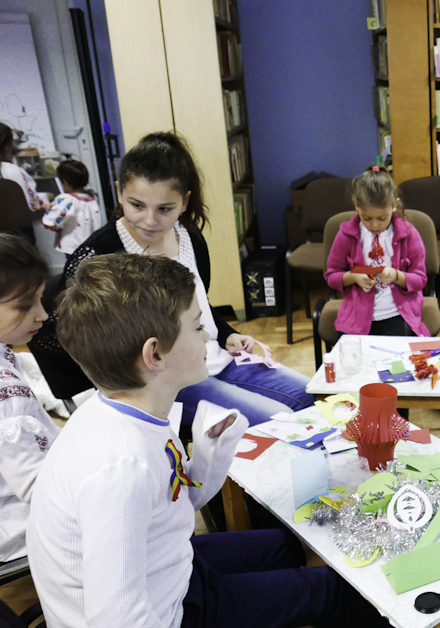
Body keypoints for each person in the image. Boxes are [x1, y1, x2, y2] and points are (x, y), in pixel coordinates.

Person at [28, 253, 388, 628]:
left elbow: (172, 507)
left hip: (169, 570)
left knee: (291, 543)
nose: (209, 337)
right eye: (198, 327)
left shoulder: (134, 408)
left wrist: (207, 456)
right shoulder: (121, 468)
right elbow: (115, 620)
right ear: (154, 354)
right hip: (169, 612)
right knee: (335, 591)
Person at [31, 132, 312, 427]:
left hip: (215, 358)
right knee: (276, 424)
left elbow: (196, 306)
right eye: (137, 205)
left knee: (307, 398)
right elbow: (58, 333)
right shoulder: (99, 254)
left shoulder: (191, 239)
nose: (150, 220)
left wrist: (226, 332)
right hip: (168, 382)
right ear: (119, 193)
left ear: (184, 202)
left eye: (164, 209)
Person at [0, 235, 61, 562]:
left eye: (40, 300)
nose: (43, 315)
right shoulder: (6, 397)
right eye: (25, 306)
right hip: (14, 524)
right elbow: (38, 491)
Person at [324, 165, 429, 337]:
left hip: (397, 314)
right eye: (367, 218)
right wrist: (353, 277)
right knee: (352, 358)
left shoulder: (408, 234)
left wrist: (396, 276)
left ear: (394, 205)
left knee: (395, 359)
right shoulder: (346, 235)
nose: (374, 225)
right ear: (356, 205)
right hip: (357, 317)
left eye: (382, 218)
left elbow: (420, 279)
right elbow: (331, 276)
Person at [42, 160, 104, 254]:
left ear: (65, 182)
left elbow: (52, 221)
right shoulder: (92, 197)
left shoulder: (67, 200)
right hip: (92, 245)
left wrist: (49, 208)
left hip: (74, 246)